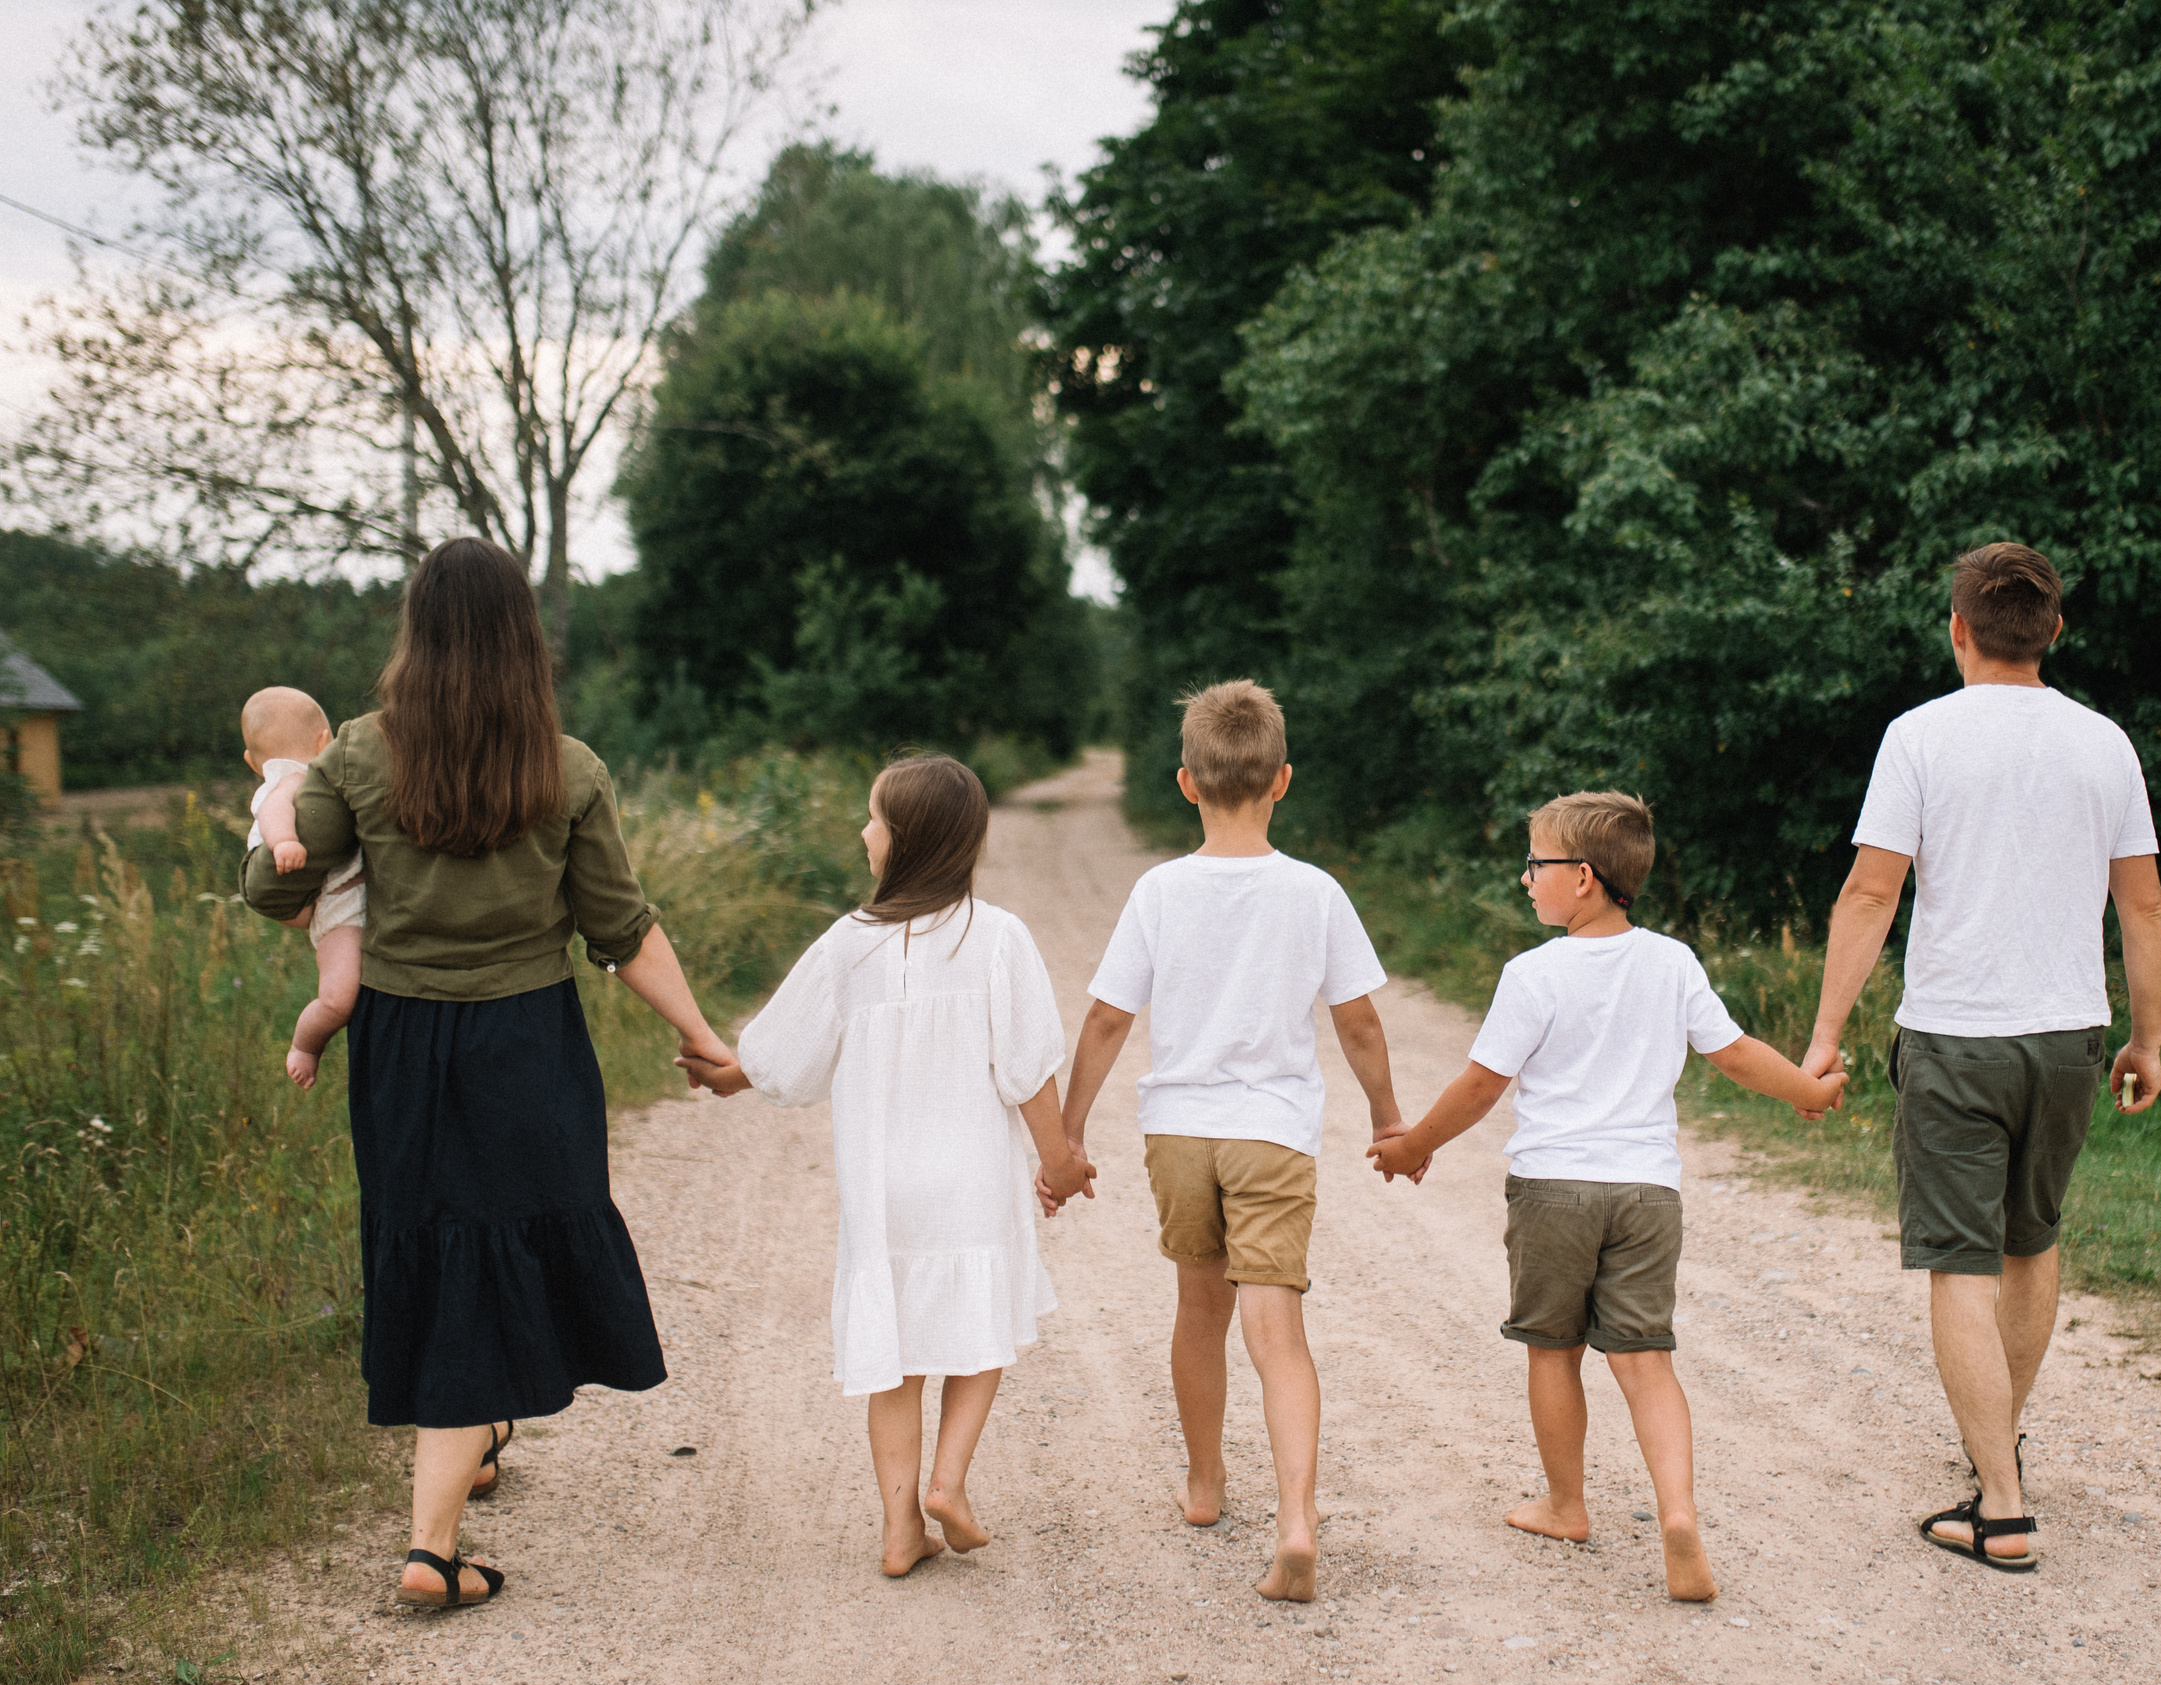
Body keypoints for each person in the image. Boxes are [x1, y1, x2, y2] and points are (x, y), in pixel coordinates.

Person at [243, 538, 736, 1610]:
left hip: (402, 1048)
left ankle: (472, 1442)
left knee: (439, 1243)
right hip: (526, 1043)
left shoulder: (360, 757)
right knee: (499, 1240)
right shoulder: (566, 767)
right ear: (523, 641)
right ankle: (429, 1546)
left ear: (413, 637)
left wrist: (279, 803)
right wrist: (702, 1034)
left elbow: (275, 895)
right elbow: (621, 929)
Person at [1367, 791, 1845, 1603]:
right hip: (1646, 1193)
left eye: (1536, 863)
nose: (1525, 879)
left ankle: (1566, 1503)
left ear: (1582, 877)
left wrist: (1417, 1143)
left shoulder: (1535, 973)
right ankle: (1679, 1512)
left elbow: (1483, 1083)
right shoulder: (1673, 961)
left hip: (1555, 1189)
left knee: (1553, 1350)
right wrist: (1809, 1087)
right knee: (1646, 1361)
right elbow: (1732, 1055)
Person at [1798, 541, 2161, 1574]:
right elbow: (2140, 903)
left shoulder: (1918, 735)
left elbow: (1872, 893)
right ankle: (1995, 1456)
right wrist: (2144, 1037)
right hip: (2066, 1036)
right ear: (2053, 631)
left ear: (1957, 627)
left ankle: (1998, 1505)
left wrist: (1824, 1033)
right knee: (2029, 1241)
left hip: (1954, 1035)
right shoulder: (2104, 743)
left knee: (1958, 1256)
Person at [681, 755, 1095, 1578]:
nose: (862, 832)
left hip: (884, 1190)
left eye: (872, 820)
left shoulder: (847, 946)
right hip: (971, 1178)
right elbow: (1028, 1072)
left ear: (903, 841)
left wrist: (732, 1072)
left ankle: (901, 1529)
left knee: (896, 1358)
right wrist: (1060, 1162)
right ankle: (948, 1481)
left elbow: (784, 1053)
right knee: (982, 1334)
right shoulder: (1000, 937)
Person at [1057, 679, 1400, 1603]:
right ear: (1282, 779)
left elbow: (1104, 1019)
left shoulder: (1160, 890)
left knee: (1197, 1309)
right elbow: (1360, 1023)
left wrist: (1069, 1129)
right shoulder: (1314, 891)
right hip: (1271, 1135)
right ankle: (1295, 1519)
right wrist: (1388, 1116)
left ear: (1184, 782)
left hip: (1180, 1132)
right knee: (1276, 1328)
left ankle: (1205, 1486)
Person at [239, 686, 367, 1087]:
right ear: (324, 741)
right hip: (337, 907)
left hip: (334, 898)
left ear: (250, 761)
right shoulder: (297, 778)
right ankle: (305, 1045)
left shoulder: (303, 779)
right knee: (338, 999)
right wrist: (286, 842)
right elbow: (278, 807)